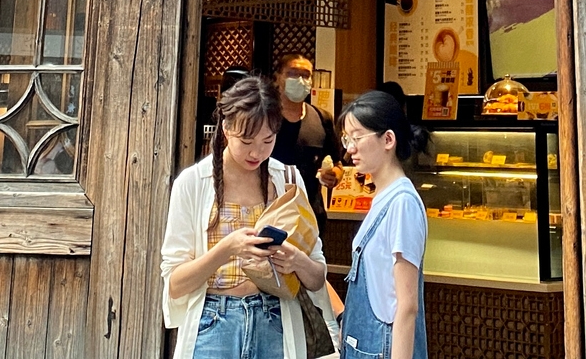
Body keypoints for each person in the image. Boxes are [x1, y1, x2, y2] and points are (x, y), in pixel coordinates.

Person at [163, 74, 329, 359]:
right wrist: (227, 248)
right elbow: (175, 283)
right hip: (213, 325)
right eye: (246, 140)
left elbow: (317, 277)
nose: (257, 152)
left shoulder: (287, 180)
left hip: (275, 321)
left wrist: (295, 259)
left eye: (268, 140)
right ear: (226, 128)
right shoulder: (192, 183)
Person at [337, 90, 430, 359]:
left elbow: (407, 306)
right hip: (364, 343)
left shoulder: (402, 203)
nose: (349, 148)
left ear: (388, 139)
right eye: (347, 138)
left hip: (382, 346)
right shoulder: (383, 196)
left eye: (357, 138)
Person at [270, 53, 341, 222]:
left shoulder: (322, 118)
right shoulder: (264, 117)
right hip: (270, 213)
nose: (300, 80)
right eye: (292, 73)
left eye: (306, 75)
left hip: (311, 215)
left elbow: (337, 162)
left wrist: (333, 175)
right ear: (277, 78)